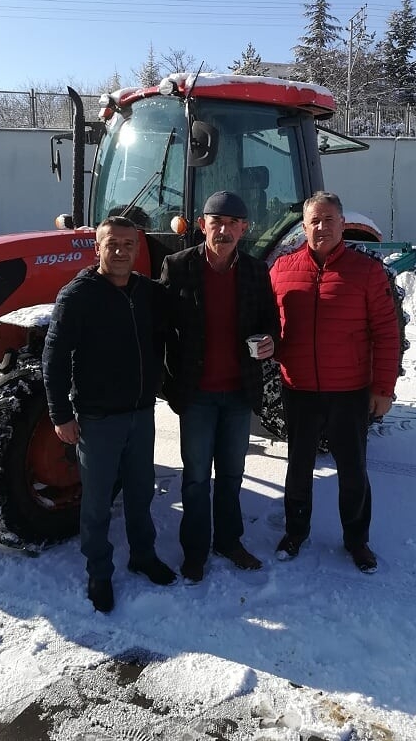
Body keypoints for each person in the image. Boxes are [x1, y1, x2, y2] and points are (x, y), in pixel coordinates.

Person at [42, 216, 176, 613]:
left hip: (140, 413)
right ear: (96, 248)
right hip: (98, 419)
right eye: (112, 244)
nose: (120, 252)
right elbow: (54, 356)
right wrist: (60, 413)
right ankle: (99, 570)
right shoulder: (78, 295)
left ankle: (143, 555)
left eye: (128, 245)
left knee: (140, 491)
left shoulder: (145, 291)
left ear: (137, 249)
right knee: (97, 501)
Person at [269, 192, 400, 573]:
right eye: (315, 220)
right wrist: (268, 346)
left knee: (353, 470)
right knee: (298, 468)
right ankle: (295, 532)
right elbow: (270, 327)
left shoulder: (367, 272)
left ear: (343, 224)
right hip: (300, 389)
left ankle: (357, 540)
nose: (322, 227)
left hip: (349, 392)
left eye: (329, 219)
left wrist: (383, 388)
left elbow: (386, 333)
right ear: (304, 226)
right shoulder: (281, 270)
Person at [160, 191, 280, 584]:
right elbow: (160, 329)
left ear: (244, 229)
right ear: (202, 226)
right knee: (195, 477)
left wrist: (268, 343)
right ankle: (195, 551)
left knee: (231, 474)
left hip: (237, 394)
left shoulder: (255, 272)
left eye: (233, 224)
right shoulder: (177, 267)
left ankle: (229, 541)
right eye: (217, 223)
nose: (224, 230)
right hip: (196, 395)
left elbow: (269, 323)